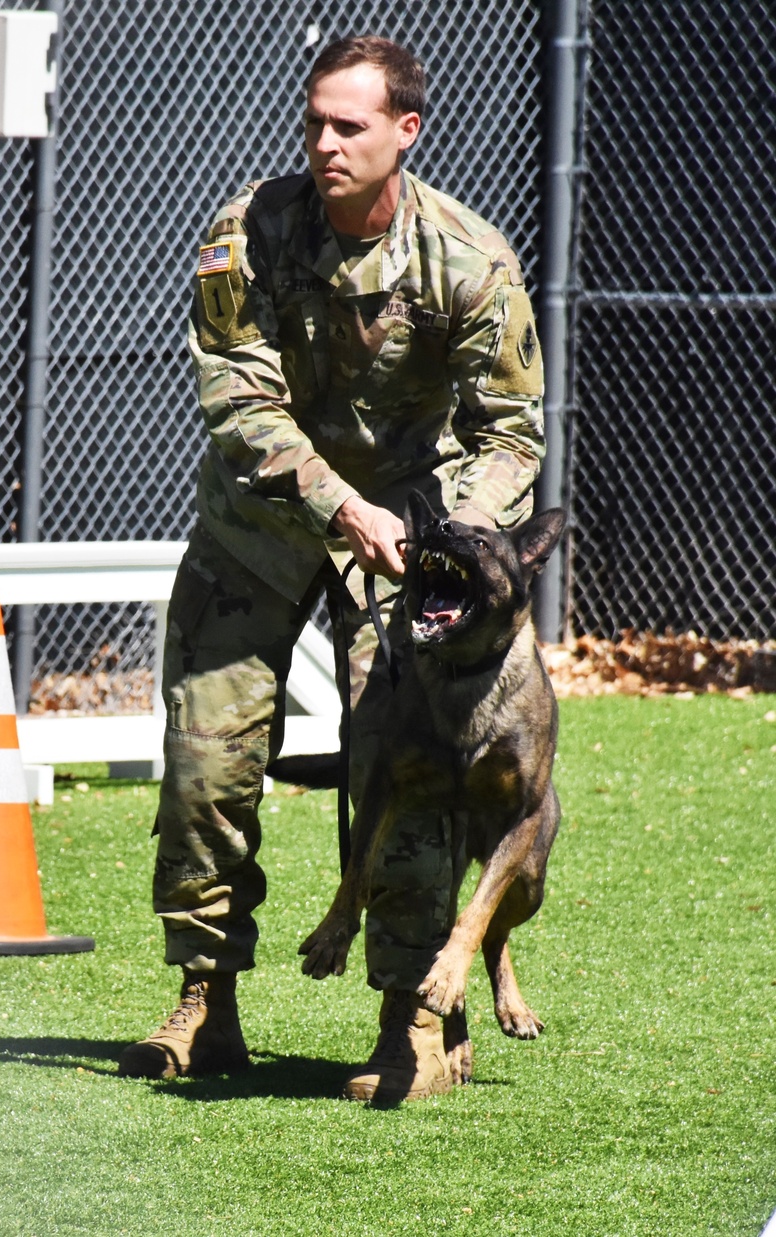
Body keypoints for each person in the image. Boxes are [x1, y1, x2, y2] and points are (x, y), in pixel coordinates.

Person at [118, 34, 545, 1100]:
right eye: (312, 122)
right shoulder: (249, 231)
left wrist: (457, 533)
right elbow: (237, 400)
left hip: (407, 548)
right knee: (205, 761)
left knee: (400, 767)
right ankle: (205, 1000)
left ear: (406, 130)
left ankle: (413, 1020)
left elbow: (511, 436)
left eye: (347, 125)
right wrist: (336, 503)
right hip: (259, 529)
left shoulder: (470, 261)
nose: (322, 142)